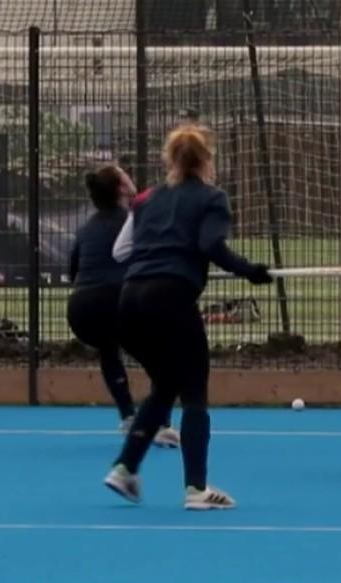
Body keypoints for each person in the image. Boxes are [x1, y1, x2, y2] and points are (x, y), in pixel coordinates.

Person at [102, 124, 273, 509]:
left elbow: (123, 249)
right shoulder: (212, 198)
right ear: (207, 159)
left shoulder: (145, 201)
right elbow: (210, 244)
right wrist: (249, 271)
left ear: (169, 158)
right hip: (172, 298)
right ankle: (196, 489)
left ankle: (126, 468)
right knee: (193, 390)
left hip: (129, 302)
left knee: (165, 385)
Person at [67, 164, 180, 447]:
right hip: (118, 302)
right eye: (125, 175)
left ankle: (129, 417)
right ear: (121, 187)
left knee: (108, 348)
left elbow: (73, 273)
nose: (131, 177)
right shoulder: (135, 220)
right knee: (162, 357)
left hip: (81, 310)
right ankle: (160, 423)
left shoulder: (84, 229)